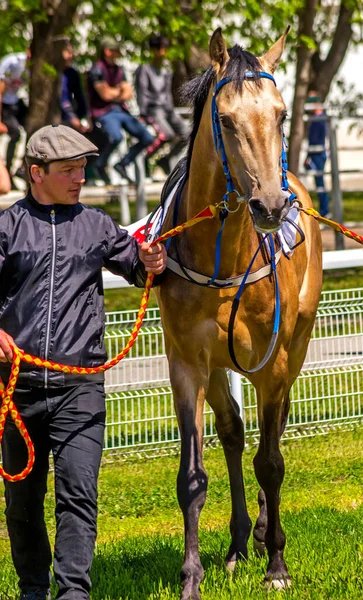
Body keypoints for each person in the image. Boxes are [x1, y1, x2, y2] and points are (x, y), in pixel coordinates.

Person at [0, 124, 167, 600]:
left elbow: (135, 264)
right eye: (68, 170)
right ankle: (33, 589)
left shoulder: (96, 225)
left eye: (83, 169)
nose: (80, 178)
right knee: (22, 504)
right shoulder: (7, 229)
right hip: (18, 389)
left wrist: (149, 260)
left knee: (78, 495)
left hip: (81, 388)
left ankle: (73, 592)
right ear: (37, 173)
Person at [87, 37, 154, 185]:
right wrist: (118, 92)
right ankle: (100, 165)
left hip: (121, 111)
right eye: (116, 50)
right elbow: (104, 95)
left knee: (147, 138)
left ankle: (123, 164)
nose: (119, 53)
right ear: (107, 51)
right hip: (104, 112)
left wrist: (114, 93)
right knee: (116, 137)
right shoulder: (97, 69)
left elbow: (128, 93)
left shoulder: (119, 69)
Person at [134, 34, 189, 176]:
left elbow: (167, 93)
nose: (163, 52)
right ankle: (146, 159)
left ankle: (165, 160)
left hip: (167, 109)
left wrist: (171, 110)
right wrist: (143, 112)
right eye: (160, 49)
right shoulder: (144, 69)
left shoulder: (166, 69)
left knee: (188, 133)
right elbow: (142, 92)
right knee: (167, 134)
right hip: (153, 109)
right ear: (152, 50)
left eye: (164, 49)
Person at [0, 49, 30, 184]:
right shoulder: (13, 63)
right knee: (15, 134)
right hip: (4, 103)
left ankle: (23, 167)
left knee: (34, 128)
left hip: (16, 101)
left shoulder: (35, 65)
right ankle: (7, 171)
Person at [304, 90, 331, 218]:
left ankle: (325, 209)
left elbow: (316, 139)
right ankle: (324, 207)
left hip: (318, 154)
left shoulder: (320, 119)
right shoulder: (315, 119)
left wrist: (310, 155)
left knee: (320, 182)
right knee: (318, 182)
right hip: (314, 154)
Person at [60, 40, 90, 134]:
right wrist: (72, 118)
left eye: (71, 52)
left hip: (71, 114)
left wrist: (86, 117)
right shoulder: (53, 75)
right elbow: (61, 99)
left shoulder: (71, 73)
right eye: (68, 52)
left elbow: (80, 96)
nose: (71, 56)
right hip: (59, 118)